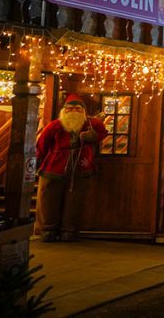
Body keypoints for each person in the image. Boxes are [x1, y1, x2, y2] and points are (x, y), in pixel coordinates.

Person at [36, 94, 108, 242]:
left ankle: (69, 230)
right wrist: (38, 160)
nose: (73, 111)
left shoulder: (90, 124)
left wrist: (92, 136)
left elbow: (102, 132)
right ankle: (49, 229)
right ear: (64, 110)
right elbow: (42, 145)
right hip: (55, 167)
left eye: (77, 108)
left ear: (83, 111)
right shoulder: (55, 126)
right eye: (70, 108)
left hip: (80, 168)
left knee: (75, 200)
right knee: (49, 198)